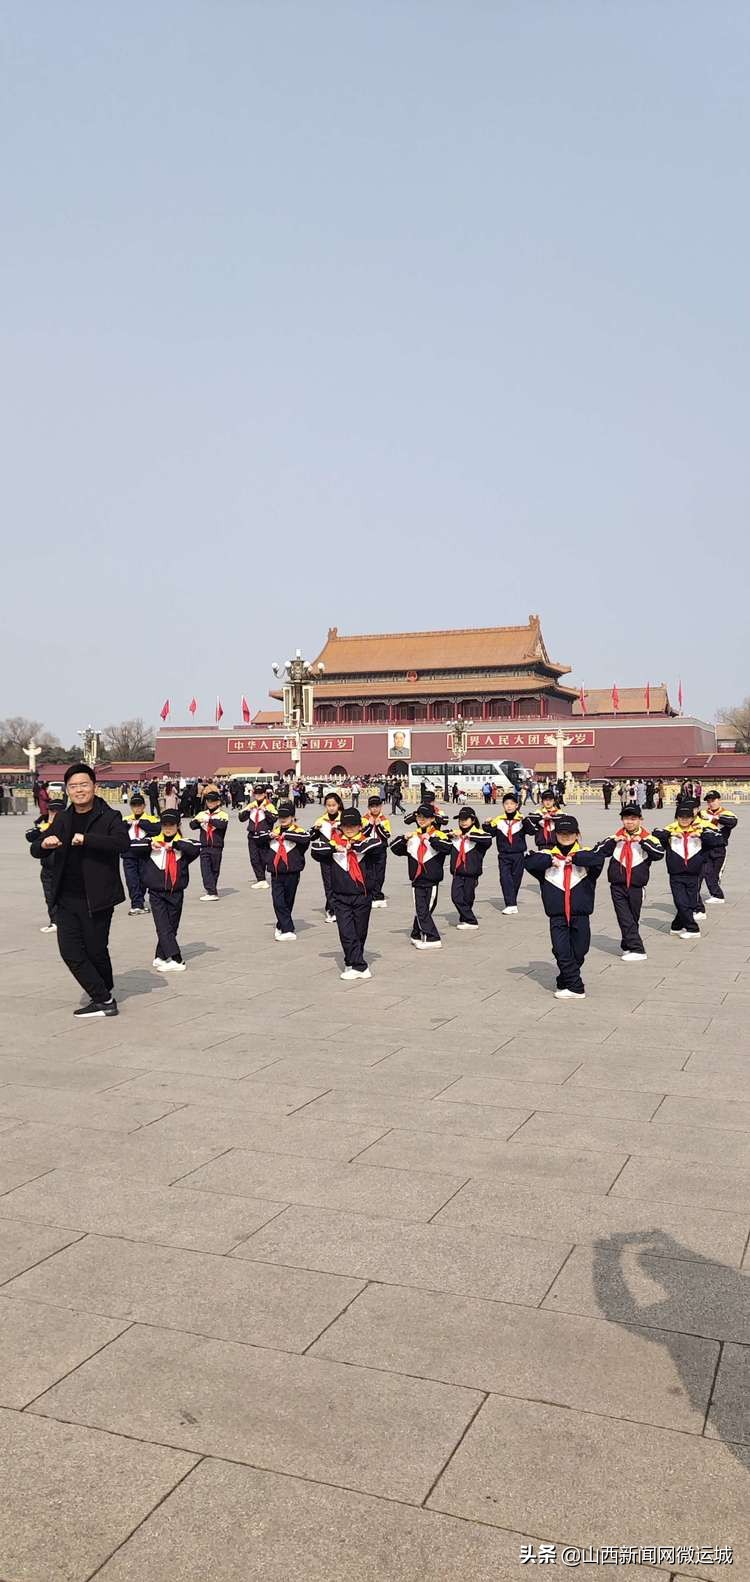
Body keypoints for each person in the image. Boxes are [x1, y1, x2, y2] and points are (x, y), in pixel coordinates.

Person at [31, 763, 129, 1018]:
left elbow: (122, 843)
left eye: (84, 784)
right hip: (66, 897)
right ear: (67, 790)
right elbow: (36, 849)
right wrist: (45, 843)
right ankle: (104, 999)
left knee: (96, 950)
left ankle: (104, 991)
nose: (79, 790)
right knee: (70, 951)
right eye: (73, 786)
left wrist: (87, 839)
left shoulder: (109, 816)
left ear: (94, 787)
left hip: (97, 898)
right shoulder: (63, 818)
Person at [524, 814, 606, 999]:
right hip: (557, 915)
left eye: (570, 833)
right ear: (555, 835)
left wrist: (574, 859)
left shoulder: (585, 855)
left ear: (577, 834)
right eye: (561, 833)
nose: (566, 836)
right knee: (561, 949)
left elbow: (598, 859)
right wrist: (550, 861)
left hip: (580, 914)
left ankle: (565, 978)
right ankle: (576, 987)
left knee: (580, 950)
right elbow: (529, 861)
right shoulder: (547, 855)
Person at [311, 808, 382, 979]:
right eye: (345, 826)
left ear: (359, 826)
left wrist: (352, 846)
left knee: (360, 932)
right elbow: (315, 849)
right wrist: (336, 846)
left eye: (353, 825)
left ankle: (352, 961)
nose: (349, 829)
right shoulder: (334, 842)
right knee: (346, 932)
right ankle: (360, 966)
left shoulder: (367, 842)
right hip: (341, 896)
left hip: (362, 895)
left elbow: (376, 845)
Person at [595, 802, 665, 960]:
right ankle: (638, 949)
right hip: (617, 885)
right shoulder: (615, 838)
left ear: (641, 819)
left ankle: (627, 944)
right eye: (626, 818)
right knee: (624, 917)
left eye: (633, 818)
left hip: (636, 886)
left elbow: (659, 854)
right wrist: (614, 841)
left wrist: (641, 841)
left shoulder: (649, 838)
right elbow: (598, 851)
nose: (629, 822)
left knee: (632, 917)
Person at [652, 799, 723, 938]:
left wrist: (701, 835)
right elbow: (656, 833)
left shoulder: (700, 829)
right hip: (676, 874)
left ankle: (677, 925)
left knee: (690, 902)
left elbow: (719, 840)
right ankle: (692, 929)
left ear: (692, 818)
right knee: (680, 901)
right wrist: (671, 835)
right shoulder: (671, 830)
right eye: (681, 817)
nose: (684, 820)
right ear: (676, 818)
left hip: (694, 873)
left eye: (687, 817)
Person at [142, 809, 200, 971]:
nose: (168, 828)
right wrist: (150, 844)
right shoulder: (152, 841)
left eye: (171, 825)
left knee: (172, 925)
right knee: (162, 925)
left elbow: (195, 848)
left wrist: (174, 844)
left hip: (176, 891)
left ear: (178, 825)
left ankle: (160, 955)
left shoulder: (184, 844)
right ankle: (177, 959)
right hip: (156, 892)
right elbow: (131, 846)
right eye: (165, 825)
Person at [390, 804, 452, 949]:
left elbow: (447, 848)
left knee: (425, 909)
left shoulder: (438, 835)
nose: (421, 819)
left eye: (425, 817)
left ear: (432, 819)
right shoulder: (413, 837)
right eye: (419, 817)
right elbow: (394, 849)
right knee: (421, 909)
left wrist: (430, 839)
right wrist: (403, 839)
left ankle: (432, 938)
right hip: (416, 879)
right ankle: (416, 934)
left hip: (431, 881)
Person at [256, 800, 311, 941]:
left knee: (288, 900)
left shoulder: (299, 831)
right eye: (281, 816)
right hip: (276, 872)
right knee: (278, 900)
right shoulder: (273, 832)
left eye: (286, 816)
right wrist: (270, 836)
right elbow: (257, 838)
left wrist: (286, 835)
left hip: (292, 872)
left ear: (292, 817)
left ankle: (281, 925)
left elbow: (305, 839)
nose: (283, 819)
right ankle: (288, 929)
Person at [483, 790, 536, 915]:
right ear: (503, 806)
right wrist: (486, 824)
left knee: (516, 879)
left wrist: (525, 820)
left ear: (517, 805)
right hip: (504, 855)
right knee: (504, 878)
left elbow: (532, 831)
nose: (509, 806)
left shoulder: (521, 819)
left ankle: (512, 902)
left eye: (512, 803)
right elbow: (490, 834)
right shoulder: (499, 820)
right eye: (506, 803)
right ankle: (511, 904)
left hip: (518, 854)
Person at [447, 806, 492, 929]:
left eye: (466, 819)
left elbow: (487, 839)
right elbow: (440, 835)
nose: (462, 822)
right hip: (457, 872)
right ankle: (471, 920)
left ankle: (466, 920)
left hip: (471, 873)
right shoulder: (455, 834)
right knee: (455, 897)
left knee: (468, 897)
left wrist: (468, 836)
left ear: (473, 820)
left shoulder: (479, 834)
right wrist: (451, 835)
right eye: (460, 819)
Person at [26, 793, 66, 931]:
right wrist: (42, 827)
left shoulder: (69, 827)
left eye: (56, 811)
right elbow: (30, 837)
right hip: (47, 867)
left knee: (65, 895)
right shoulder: (44, 826)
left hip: (64, 868)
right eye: (51, 811)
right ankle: (55, 921)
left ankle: (66, 921)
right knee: (50, 895)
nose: (53, 814)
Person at [122, 792, 160, 915]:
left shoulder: (152, 819)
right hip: (129, 854)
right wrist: (127, 826)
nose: (137, 807)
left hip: (145, 854)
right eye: (134, 805)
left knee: (144, 879)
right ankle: (136, 904)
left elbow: (157, 830)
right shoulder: (125, 819)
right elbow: (117, 833)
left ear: (144, 805)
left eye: (139, 805)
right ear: (131, 806)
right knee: (131, 879)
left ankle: (140, 900)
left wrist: (141, 823)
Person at [189, 785, 229, 901]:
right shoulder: (202, 813)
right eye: (208, 801)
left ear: (218, 802)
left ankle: (212, 889)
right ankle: (211, 891)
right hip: (205, 846)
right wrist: (198, 821)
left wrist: (209, 820)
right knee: (205, 869)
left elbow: (222, 825)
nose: (210, 803)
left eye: (213, 801)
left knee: (215, 870)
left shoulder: (223, 814)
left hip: (217, 846)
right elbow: (192, 825)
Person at [700, 790, 738, 905]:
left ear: (719, 800)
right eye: (709, 801)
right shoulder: (702, 814)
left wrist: (714, 818)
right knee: (705, 872)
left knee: (714, 874)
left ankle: (717, 895)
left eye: (713, 800)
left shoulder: (726, 813)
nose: (711, 803)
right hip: (705, 847)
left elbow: (732, 822)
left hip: (719, 848)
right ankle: (716, 894)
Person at [312, 792, 344, 921]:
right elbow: (311, 837)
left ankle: (337, 905)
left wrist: (341, 828)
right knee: (328, 882)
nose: (331, 808)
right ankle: (332, 909)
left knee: (340, 882)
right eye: (328, 805)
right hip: (326, 855)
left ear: (338, 805)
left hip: (341, 854)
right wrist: (315, 829)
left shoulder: (344, 819)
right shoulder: (321, 820)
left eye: (334, 805)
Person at [238, 784, 277, 888]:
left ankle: (268, 876)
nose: (258, 795)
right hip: (252, 835)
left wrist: (265, 810)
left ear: (264, 794)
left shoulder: (270, 805)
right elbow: (241, 818)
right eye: (256, 793)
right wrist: (247, 810)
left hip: (264, 835)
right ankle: (261, 879)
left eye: (260, 793)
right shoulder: (251, 805)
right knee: (254, 858)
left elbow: (274, 819)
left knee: (265, 858)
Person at [361, 794, 391, 907]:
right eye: (372, 806)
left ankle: (377, 893)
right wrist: (370, 824)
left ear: (381, 806)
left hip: (380, 849)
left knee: (380, 873)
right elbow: (362, 834)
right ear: (369, 807)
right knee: (368, 872)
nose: (375, 808)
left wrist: (378, 825)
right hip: (368, 849)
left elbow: (386, 835)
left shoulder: (384, 820)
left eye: (377, 806)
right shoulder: (364, 819)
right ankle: (369, 893)